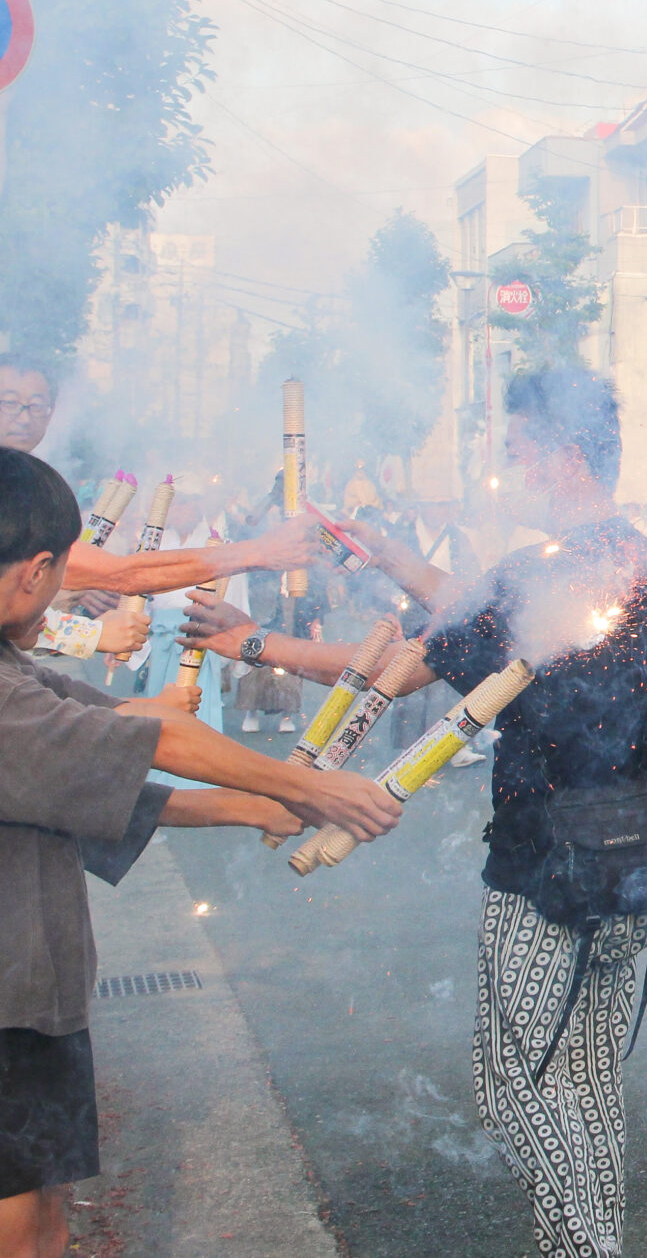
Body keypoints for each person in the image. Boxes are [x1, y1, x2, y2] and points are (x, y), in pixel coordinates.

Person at [0, 447, 400, 1258]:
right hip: (4, 1006)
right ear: (34, 571)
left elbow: (98, 755)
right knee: (15, 1217)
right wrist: (316, 792)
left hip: (31, 996)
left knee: (45, 1209)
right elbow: (148, 735)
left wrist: (250, 800)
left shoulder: (16, 672)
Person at [416, 366, 647, 1258]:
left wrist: (253, 637)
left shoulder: (560, 567)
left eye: (520, 449)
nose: (508, 467)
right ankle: (582, 1244)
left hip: (554, 861)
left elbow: (445, 647)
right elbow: (458, 624)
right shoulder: (636, 558)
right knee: (585, 1080)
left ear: (569, 454)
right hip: (637, 850)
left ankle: (585, 1248)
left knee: (513, 1082)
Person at [0, 361, 316, 601]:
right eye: (9, 403)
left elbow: (49, 579)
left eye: (36, 405)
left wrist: (73, 594)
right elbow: (121, 575)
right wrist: (257, 552)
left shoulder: (33, 480)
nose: (24, 417)